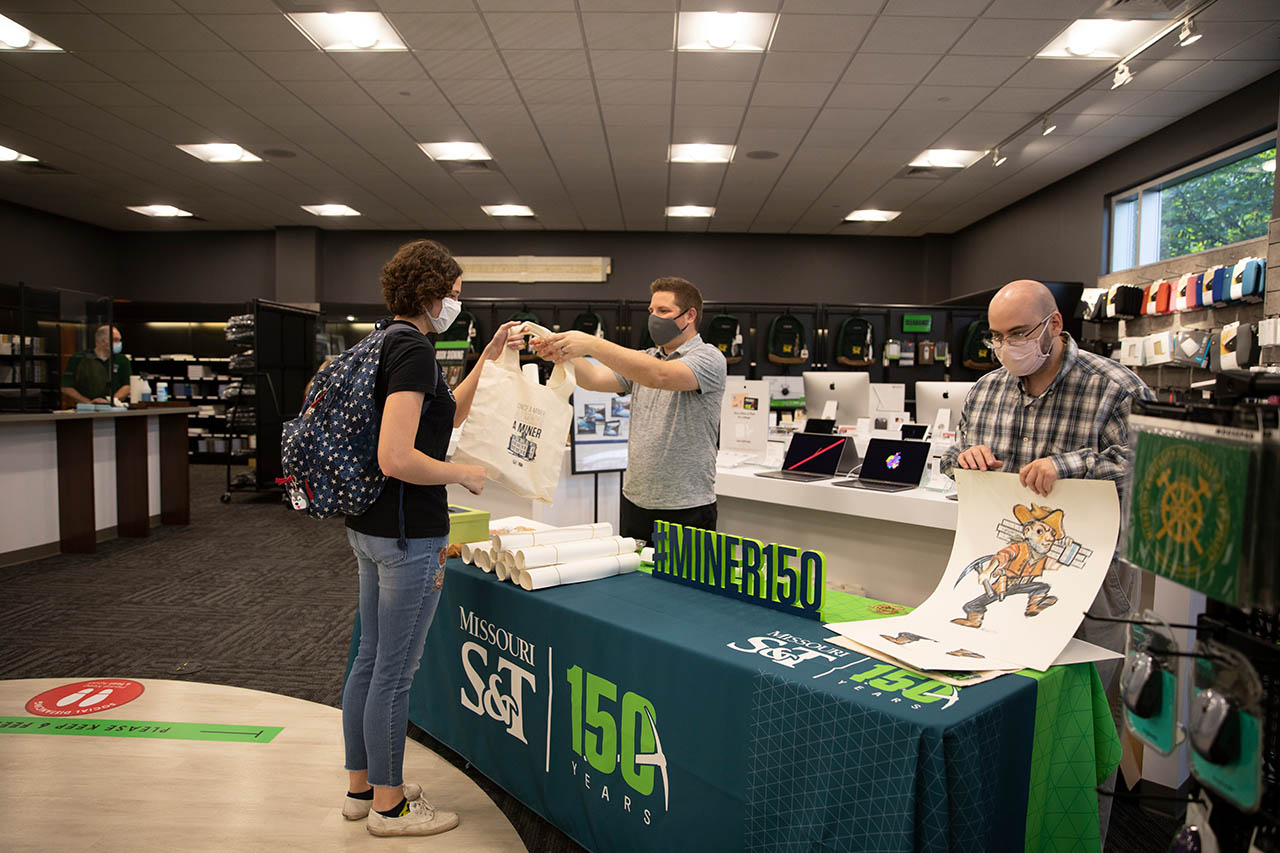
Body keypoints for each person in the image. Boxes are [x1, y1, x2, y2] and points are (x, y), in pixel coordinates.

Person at [940, 278, 1153, 845]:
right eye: (997, 337)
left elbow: (1149, 467)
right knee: (1009, 708)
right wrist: (965, 457)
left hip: (1093, 583)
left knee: (1086, 725)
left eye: (1020, 333)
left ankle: (1083, 838)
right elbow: (948, 459)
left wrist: (1069, 465)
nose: (1008, 346)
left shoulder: (1113, 387)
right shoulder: (985, 391)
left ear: (1055, 326)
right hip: (1007, 575)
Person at [340, 238, 521, 838]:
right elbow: (397, 456)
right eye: (456, 293)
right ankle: (391, 809)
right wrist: (462, 472)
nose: (457, 305)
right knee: (394, 671)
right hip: (407, 534)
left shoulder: (382, 342)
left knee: (369, 661)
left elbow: (447, 415)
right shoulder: (413, 350)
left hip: (369, 529)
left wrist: (489, 356)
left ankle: (363, 788)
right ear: (431, 293)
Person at [532, 276, 727, 542]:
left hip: (686, 507)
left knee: (682, 585)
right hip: (635, 501)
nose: (654, 318)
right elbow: (594, 379)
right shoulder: (648, 358)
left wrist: (591, 344)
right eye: (651, 311)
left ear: (690, 315)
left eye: (664, 311)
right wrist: (560, 352)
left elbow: (660, 376)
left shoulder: (709, 358)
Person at [62, 325, 130, 406]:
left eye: (119, 340)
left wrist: (110, 402)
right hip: (84, 409)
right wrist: (88, 403)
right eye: (115, 340)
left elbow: (127, 385)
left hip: (113, 408)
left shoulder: (122, 360)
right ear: (101, 341)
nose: (118, 343)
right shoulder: (79, 358)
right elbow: (66, 387)